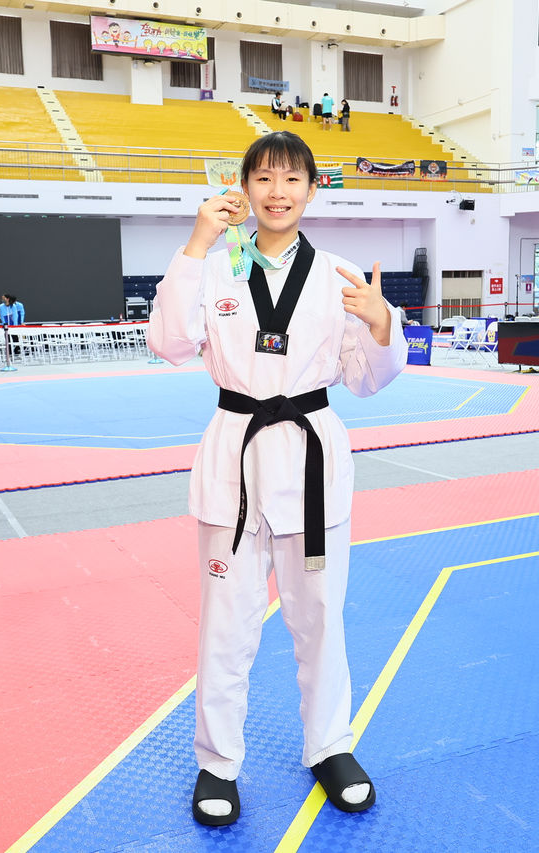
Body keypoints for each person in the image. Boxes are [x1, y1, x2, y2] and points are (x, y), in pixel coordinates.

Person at [148, 130, 407, 828]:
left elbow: (367, 379)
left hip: (310, 461)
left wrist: (382, 324)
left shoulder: (339, 274)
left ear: (312, 190)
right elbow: (168, 344)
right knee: (225, 625)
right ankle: (217, 762)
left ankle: (330, 747)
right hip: (235, 455)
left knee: (319, 617)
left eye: (292, 178)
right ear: (244, 188)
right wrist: (197, 240)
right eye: (263, 178)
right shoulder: (214, 268)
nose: (277, 192)